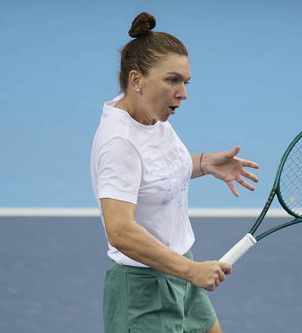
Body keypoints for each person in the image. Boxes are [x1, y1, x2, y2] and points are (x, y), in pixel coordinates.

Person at [90, 12, 259, 333]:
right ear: (136, 80)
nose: (183, 93)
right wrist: (190, 271)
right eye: (172, 80)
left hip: (178, 269)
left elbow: (152, 176)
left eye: (185, 81)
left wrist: (203, 163)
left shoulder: (149, 117)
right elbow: (120, 231)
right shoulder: (119, 142)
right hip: (144, 288)